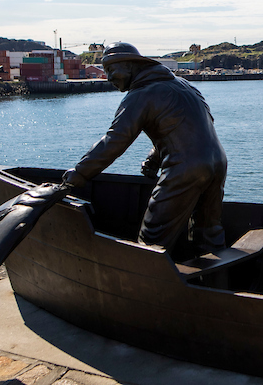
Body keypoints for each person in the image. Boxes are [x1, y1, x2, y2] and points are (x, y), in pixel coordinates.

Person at [62, 43, 227, 253]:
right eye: (106, 71)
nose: (109, 77)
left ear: (131, 66)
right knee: (209, 232)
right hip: (218, 163)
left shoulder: (140, 95)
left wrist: (81, 172)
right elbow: (184, 131)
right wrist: (153, 160)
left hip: (185, 169)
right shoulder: (185, 86)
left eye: (112, 70)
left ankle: (145, 284)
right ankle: (216, 281)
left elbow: (115, 140)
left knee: (153, 238)